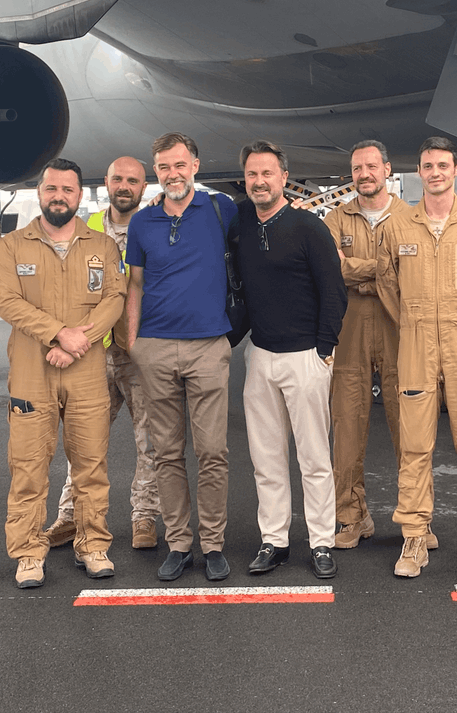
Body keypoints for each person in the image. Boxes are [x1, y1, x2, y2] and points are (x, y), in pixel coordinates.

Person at [0, 158, 127, 589]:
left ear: (80, 196)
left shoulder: (102, 246)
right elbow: (7, 300)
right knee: (28, 466)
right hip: (33, 371)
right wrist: (57, 336)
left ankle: (93, 545)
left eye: (68, 190)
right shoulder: (12, 246)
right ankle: (29, 553)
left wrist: (78, 342)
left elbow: (115, 298)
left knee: (91, 464)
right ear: (40, 192)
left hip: (86, 370)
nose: (59, 197)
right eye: (52, 189)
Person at [377, 137, 457, 579]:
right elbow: (387, 286)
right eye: (427, 166)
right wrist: (415, 325)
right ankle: (414, 538)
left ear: (456, 171)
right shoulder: (398, 227)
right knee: (414, 447)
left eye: (442, 165)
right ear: (419, 172)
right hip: (414, 344)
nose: (435, 172)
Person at [231, 141, 348, 579]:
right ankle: (274, 540)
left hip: (306, 356)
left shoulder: (308, 227)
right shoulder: (242, 220)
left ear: (284, 177)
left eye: (267, 174)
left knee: (315, 458)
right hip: (260, 355)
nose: (259, 181)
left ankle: (320, 542)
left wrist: (324, 349)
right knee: (267, 458)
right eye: (252, 175)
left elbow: (334, 291)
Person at [126, 133, 238, 582]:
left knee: (213, 451)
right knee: (167, 454)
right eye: (164, 168)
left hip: (209, 346)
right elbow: (134, 283)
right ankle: (178, 543)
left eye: (180, 165)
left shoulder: (220, 210)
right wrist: (134, 343)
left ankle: (212, 543)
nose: (172, 174)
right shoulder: (142, 222)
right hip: (154, 348)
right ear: (158, 172)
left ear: (195, 165)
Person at [42, 157, 162, 551]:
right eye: (117, 179)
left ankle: (144, 515)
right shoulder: (86, 226)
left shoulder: (154, 226)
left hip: (139, 349)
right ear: (106, 183)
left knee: (150, 440)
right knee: (85, 440)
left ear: (143, 187)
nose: (124, 186)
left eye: (133, 180)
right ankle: (70, 515)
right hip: (92, 349)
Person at [324, 141, 438, 551]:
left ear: (387, 169)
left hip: (399, 333)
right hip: (350, 331)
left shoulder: (412, 217)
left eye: (372, 166)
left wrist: (360, 273)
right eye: (357, 168)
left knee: (409, 430)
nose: (364, 174)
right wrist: (385, 271)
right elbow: (330, 269)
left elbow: (420, 271)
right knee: (347, 431)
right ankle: (351, 517)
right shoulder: (335, 219)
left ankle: (416, 520)